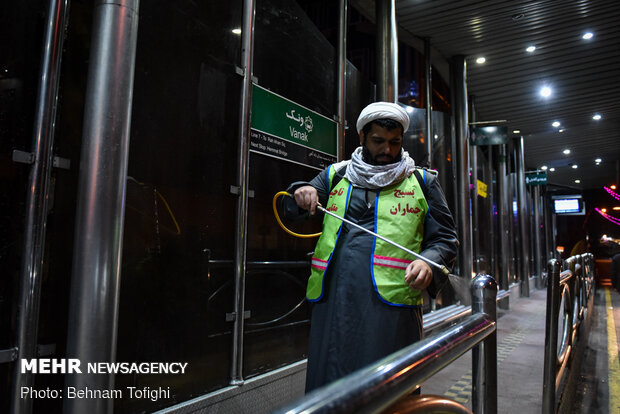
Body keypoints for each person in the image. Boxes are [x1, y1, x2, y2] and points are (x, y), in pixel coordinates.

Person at [285, 101, 458, 392]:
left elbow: (445, 239)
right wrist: (302, 192)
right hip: (334, 303)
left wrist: (428, 263)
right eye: (378, 141)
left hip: (391, 309)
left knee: (390, 389)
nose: (387, 151)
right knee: (331, 385)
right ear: (362, 137)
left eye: (395, 143)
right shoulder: (335, 175)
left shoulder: (421, 181)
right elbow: (293, 207)